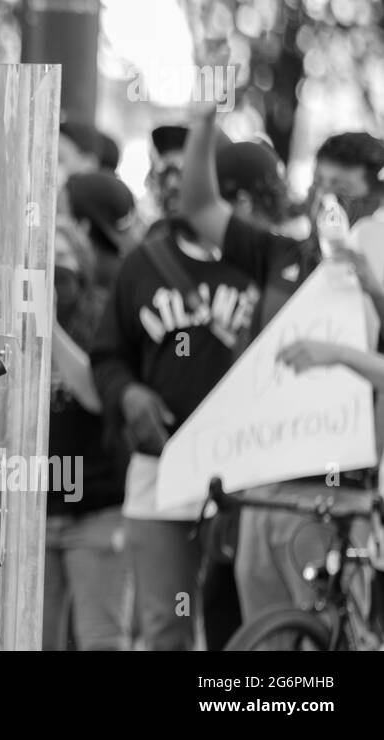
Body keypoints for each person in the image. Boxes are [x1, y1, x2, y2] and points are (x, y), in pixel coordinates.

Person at [180, 106, 384, 631]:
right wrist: (203, 124)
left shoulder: (375, 268)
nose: (328, 199)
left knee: (332, 635)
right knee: (265, 638)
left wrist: (372, 287)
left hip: (338, 491)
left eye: (344, 188)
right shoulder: (282, 255)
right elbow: (201, 206)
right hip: (267, 480)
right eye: (321, 182)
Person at [89, 123, 262, 651]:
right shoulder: (145, 262)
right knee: (166, 626)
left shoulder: (260, 261)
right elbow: (109, 354)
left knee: (242, 626)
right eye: (164, 175)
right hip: (160, 467)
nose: (173, 188)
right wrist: (127, 394)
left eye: (183, 177)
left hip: (247, 466)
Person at [44, 217, 130, 650]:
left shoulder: (102, 312)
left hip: (95, 509)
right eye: (38, 256)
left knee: (99, 640)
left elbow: (99, 397)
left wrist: (49, 328)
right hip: (33, 512)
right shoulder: (1, 318)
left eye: (59, 256)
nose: (50, 269)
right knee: (32, 638)